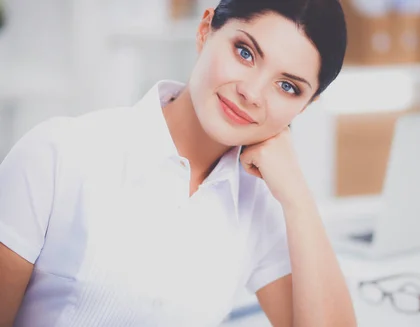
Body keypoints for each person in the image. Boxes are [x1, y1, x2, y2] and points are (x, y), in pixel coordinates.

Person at [0, 0, 356, 326]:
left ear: (305, 106)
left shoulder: (260, 205)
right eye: (245, 52)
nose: (252, 93)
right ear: (205, 30)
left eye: (287, 87)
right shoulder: (58, 154)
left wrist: (298, 198)